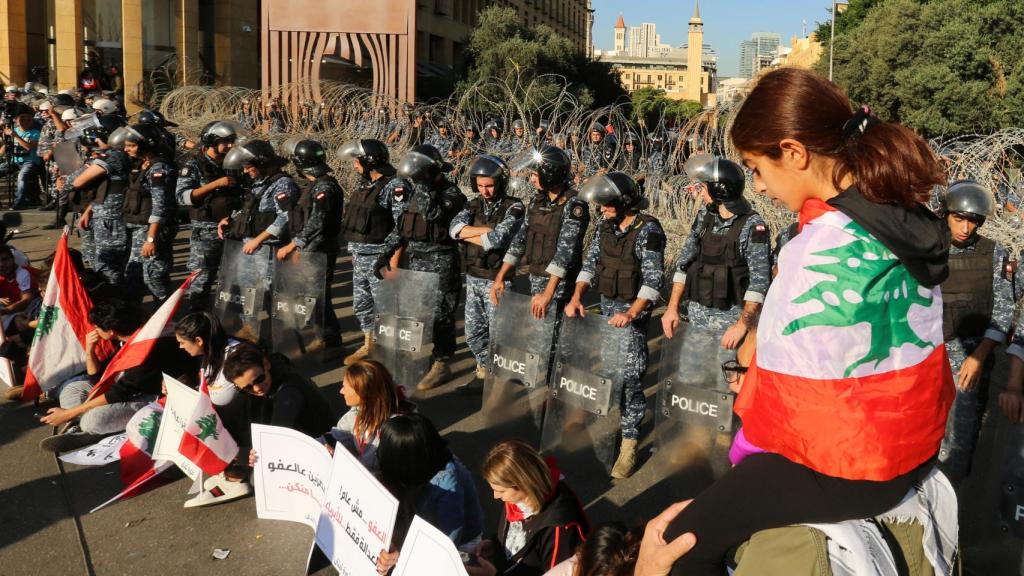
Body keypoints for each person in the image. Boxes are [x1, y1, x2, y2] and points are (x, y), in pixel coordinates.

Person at [660, 67, 953, 575]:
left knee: (672, 544)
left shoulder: (822, 246)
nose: (759, 185)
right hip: (910, 443)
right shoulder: (898, 214)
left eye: (757, 167)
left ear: (795, 153)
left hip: (848, 462)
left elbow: (773, 392)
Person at [565, 172, 666, 478]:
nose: (602, 209)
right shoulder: (605, 227)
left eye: (607, 204)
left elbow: (653, 280)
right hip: (607, 310)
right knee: (609, 371)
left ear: (624, 201)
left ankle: (630, 442)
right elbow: (589, 264)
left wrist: (631, 314)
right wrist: (577, 297)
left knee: (631, 378)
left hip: (630, 316)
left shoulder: (648, 229)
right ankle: (605, 421)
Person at [933, 180, 1014, 483]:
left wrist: (979, 356)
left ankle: (955, 496)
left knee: (961, 436)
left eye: (973, 221)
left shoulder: (993, 253)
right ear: (945, 215)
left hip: (970, 358)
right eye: (959, 219)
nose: (966, 228)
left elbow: (1003, 310)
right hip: (930, 356)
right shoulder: (928, 249)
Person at [39, 300, 197, 452]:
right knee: (73, 388)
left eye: (96, 327)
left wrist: (70, 413)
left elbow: (120, 392)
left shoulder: (147, 347)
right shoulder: (128, 336)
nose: (94, 330)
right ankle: (83, 422)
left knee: (92, 420)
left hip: (154, 395)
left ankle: (87, 426)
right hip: (127, 387)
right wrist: (89, 351)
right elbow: (99, 378)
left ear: (111, 331)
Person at [375, 145, 468, 391]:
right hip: (416, 261)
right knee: (411, 313)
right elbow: (402, 225)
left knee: (441, 315)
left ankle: (442, 363)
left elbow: (435, 214)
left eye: (419, 175)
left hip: (441, 261)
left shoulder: (452, 194)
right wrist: (385, 252)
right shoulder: (417, 192)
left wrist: (425, 188)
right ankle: (406, 361)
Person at [661, 156, 771, 350]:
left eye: (704, 187)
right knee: (693, 378)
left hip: (730, 328)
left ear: (719, 190)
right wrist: (672, 308)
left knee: (724, 379)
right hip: (696, 320)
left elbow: (759, 282)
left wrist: (742, 325)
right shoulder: (705, 217)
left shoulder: (753, 226)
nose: (700, 192)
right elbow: (684, 264)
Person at [491, 145, 588, 339]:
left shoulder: (574, 205)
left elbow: (565, 253)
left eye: (535, 174)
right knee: (538, 338)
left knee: (554, 341)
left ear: (550, 175)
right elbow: (520, 239)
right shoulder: (538, 201)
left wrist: (548, 293)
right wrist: (500, 277)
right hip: (536, 278)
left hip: (559, 287)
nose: (532, 179)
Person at [375, 413, 484, 574]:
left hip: (460, 545)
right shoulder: (424, 461)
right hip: (422, 522)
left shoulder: (449, 487)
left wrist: (403, 555)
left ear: (406, 463)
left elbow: (447, 544)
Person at [450, 155, 525, 380]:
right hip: (473, 277)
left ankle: (500, 377)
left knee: (500, 335)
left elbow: (498, 240)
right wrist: (485, 231)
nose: (485, 191)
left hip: (497, 279)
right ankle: (485, 368)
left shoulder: (515, 207)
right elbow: (454, 230)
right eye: (481, 186)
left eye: (490, 185)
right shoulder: (472, 206)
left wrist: (469, 232)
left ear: (500, 183)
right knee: (473, 334)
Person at [337, 139, 409, 365]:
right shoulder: (365, 184)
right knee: (362, 303)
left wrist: (394, 262)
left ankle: (390, 352)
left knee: (386, 307)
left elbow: (402, 228)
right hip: (361, 257)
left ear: (369, 161)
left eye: (357, 160)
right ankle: (370, 343)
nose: (355, 165)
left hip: (381, 258)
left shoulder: (395, 186)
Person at [475, 440, 588, 576]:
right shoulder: (516, 499)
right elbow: (514, 533)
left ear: (523, 484)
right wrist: (495, 544)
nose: (495, 496)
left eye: (501, 491)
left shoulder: (558, 528)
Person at [174, 312, 251, 507]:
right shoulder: (212, 353)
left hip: (247, 421)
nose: (180, 347)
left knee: (204, 419)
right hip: (235, 418)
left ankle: (238, 476)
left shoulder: (236, 356)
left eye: (183, 342)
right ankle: (228, 467)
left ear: (198, 340)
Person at [276, 139, 344, 348]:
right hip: (313, 248)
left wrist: (294, 245)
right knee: (312, 295)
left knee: (319, 296)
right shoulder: (316, 185)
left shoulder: (325, 187)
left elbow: (318, 221)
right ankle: (322, 336)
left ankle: (330, 341)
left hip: (321, 250)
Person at [175, 120, 242, 311]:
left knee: (233, 281)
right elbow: (183, 197)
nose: (229, 145)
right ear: (211, 141)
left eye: (231, 141)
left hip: (232, 229)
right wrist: (215, 184)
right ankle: (197, 319)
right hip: (205, 232)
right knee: (201, 281)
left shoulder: (233, 163)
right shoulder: (194, 165)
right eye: (225, 141)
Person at [61, 114, 129, 288]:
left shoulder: (114, 157)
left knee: (109, 266)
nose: (95, 141)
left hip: (111, 219)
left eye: (97, 137)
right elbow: (105, 189)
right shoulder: (118, 155)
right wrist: (89, 210)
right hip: (104, 214)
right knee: (104, 263)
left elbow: (76, 182)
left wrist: (88, 164)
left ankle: (115, 302)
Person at [113, 123, 178, 301]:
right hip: (138, 227)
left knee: (153, 276)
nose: (126, 149)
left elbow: (160, 206)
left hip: (152, 230)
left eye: (132, 146)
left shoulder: (159, 169)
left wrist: (151, 239)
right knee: (134, 276)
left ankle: (166, 316)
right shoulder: (143, 165)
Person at [223, 342, 334, 438]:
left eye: (259, 379)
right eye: (247, 388)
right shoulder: (273, 375)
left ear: (266, 364)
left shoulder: (288, 393)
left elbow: (277, 435)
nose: (256, 388)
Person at [219, 139, 300, 255]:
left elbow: (285, 217)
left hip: (270, 249)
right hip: (250, 246)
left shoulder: (284, 184)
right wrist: (230, 220)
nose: (245, 171)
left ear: (261, 164)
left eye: (248, 167)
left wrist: (258, 240)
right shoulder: (258, 183)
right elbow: (250, 209)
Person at [325, 359, 407, 471]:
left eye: (345, 387)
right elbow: (338, 435)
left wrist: (341, 463)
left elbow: (380, 474)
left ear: (363, 392)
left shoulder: (394, 429)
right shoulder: (357, 412)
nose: (341, 391)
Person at [4, 105, 43, 210]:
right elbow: (4, 149)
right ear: (16, 120)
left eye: (29, 119)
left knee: (22, 176)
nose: (26, 121)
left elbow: (29, 147)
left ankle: (19, 201)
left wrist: (15, 136)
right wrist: (5, 139)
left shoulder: (35, 133)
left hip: (30, 161)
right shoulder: (13, 130)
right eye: (22, 119)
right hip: (14, 160)